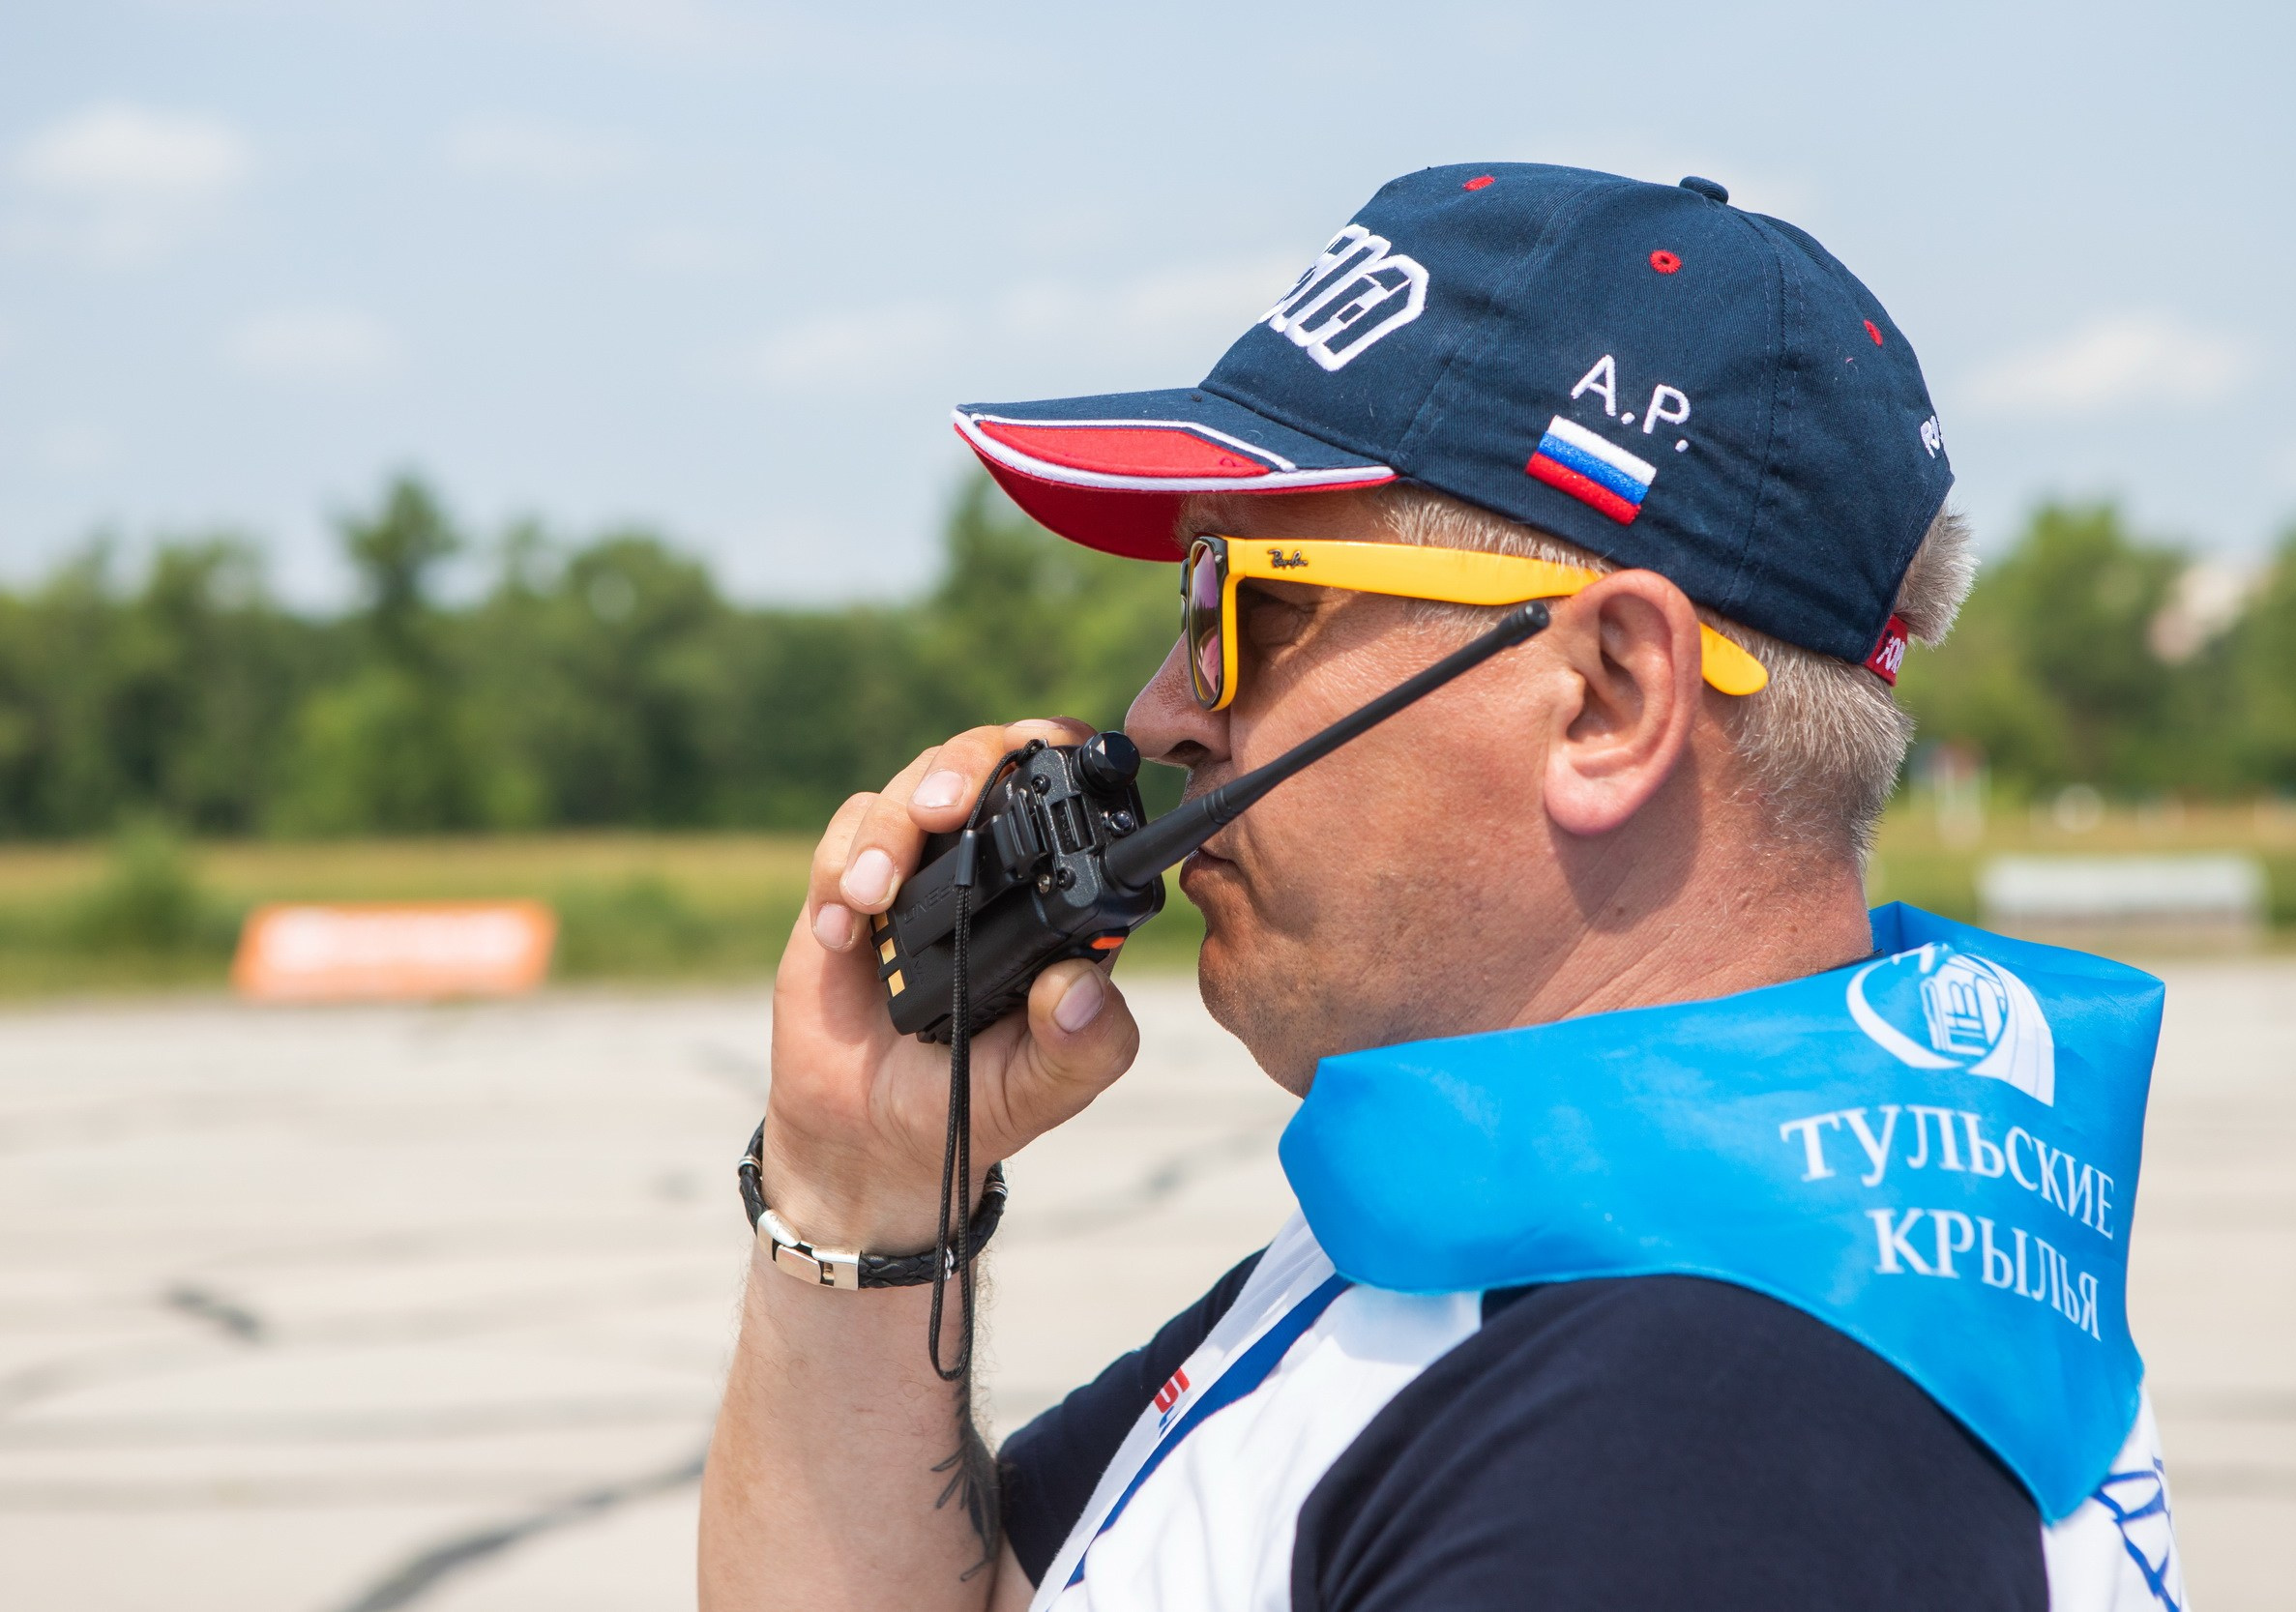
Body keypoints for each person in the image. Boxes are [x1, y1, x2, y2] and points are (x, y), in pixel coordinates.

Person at [699, 164, 2189, 1611]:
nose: (1158, 714)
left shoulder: (1680, 1441)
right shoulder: (1596, 1217)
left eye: (1243, 603)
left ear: (1608, 697)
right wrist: (863, 1188)